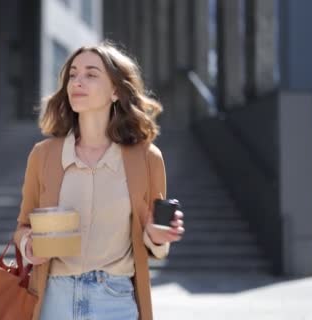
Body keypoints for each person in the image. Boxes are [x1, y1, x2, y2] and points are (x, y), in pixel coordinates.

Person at [12, 41, 185, 320]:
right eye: (73, 75)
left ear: (116, 91)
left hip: (115, 300)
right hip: (53, 299)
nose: (77, 81)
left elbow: (153, 241)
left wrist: (156, 235)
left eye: (91, 74)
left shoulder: (147, 159)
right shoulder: (43, 156)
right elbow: (22, 227)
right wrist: (30, 246)